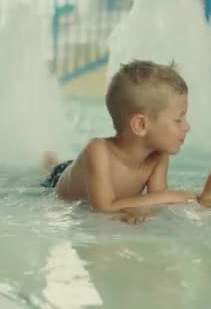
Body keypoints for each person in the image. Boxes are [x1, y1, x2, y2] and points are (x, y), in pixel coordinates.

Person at [42, 60, 196, 223]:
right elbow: (103, 207)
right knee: (54, 170)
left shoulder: (158, 155)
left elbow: (157, 200)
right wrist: (173, 196)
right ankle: (51, 164)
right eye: (178, 120)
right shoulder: (97, 151)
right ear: (141, 125)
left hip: (92, 175)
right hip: (59, 181)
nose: (187, 127)